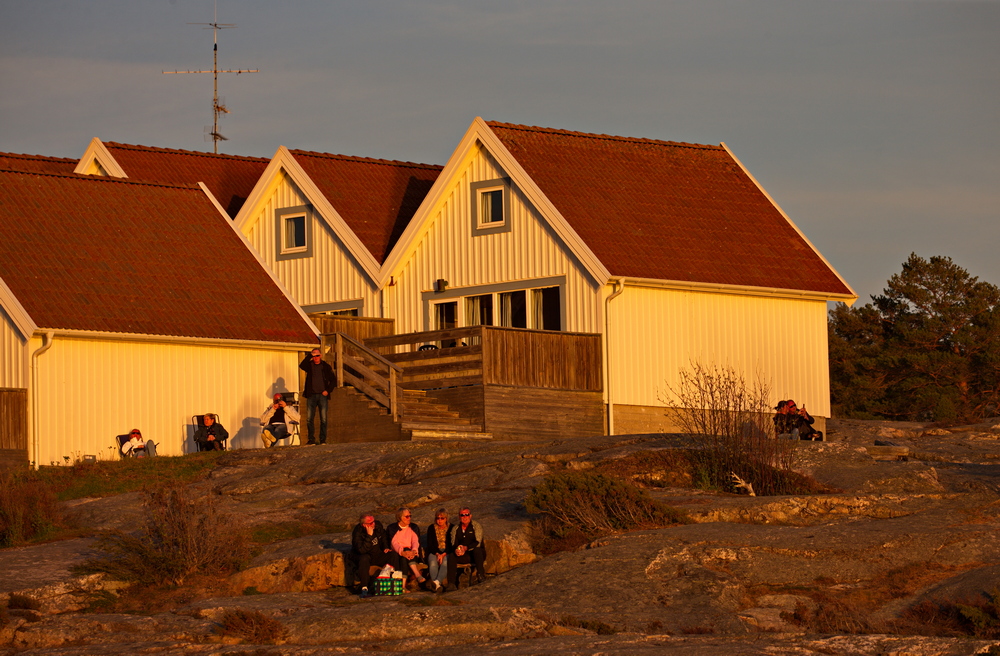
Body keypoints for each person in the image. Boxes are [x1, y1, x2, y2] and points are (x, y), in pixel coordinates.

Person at [350, 512, 395, 598]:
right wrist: (369, 536)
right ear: (364, 525)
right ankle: (364, 588)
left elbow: (384, 536)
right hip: (365, 556)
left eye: (373, 521)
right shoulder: (358, 532)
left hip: (377, 555)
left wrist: (385, 547)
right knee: (364, 558)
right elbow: (361, 550)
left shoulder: (377, 525)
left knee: (392, 554)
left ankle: (394, 583)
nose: (373, 524)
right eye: (370, 523)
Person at [299, 348, 336, 445]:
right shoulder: (309, 366)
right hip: (311, 395)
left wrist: (327, 391)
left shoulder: (326, 367)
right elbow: (301, 365)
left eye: (317, 355)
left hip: (322, 396)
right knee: (309, 419)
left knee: (323, 419)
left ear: (321, 355)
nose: (316, 358)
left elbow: (333, 380)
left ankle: (322, 439)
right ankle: (311, 440)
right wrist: (309, 356)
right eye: (314, 356)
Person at [446, 507, 486, 590]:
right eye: (462, 515)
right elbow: (453, 543)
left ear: (470, 516)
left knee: (477, 550)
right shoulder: (455, 529)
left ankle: (480, 575)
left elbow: (477, 542)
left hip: (475, 553)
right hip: (463, 554)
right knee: (452, 555)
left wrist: (466, 548)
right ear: (459, 516)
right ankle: (451, 583)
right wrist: (457, 550)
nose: (464, 517)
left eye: (466, 515)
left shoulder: (476, 526)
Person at [387, 507, 426, 590]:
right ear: (400, 517)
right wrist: (402, 552)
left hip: (411, 554)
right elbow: (394, 543)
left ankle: (403, 585)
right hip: (398, 553)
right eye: (407, 516)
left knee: (405, 556)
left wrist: (414, 550)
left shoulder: (413, 527)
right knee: (404, 554)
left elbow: (415, 541)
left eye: (410, 516)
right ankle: (417, 574)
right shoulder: (393, 528)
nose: (409, 518)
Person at [425, 508, 452, 592]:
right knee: (433, 562)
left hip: (447, 551)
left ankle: (436, 583)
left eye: (442, 518)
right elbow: (430, 544)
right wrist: (438, 554)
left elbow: (452, 544)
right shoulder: (431, 528)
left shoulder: (452, 527)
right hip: (434, 551)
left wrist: (443, 554)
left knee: (445, 562)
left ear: (446, 518)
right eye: (437, 518)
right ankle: (437, 585)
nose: (439, 520)